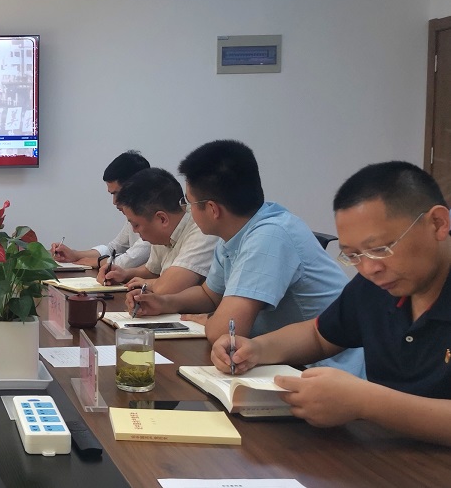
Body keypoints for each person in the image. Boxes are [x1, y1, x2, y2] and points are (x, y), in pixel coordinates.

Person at [212, 161, 451, 445]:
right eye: (353, 255)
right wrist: (257, 349)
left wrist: (365, 402)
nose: (368, 268)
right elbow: (319, 335)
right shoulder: (377, 284)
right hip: (385, 452)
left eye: (380, 249)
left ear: (438, 223)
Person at [129, 140, 363, 375]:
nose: (187, 210)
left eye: (189, 203)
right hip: (275, 360)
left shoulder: (270, 235)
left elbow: (223, 331)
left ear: (212, 209)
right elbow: (209, 295)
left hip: (323, 369)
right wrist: (165, 303)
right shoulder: (233, 234)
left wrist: (211, 319)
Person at [96, 167, 216, 295]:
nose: (134, 231)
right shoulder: (164, 232)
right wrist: (124, 274)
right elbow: (152, 270)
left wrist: (146, 283)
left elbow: (168, 288)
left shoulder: (202, 229)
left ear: (162, 219)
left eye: (136, 225)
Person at [51, 150, 151, 269]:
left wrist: (98, 262)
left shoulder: (154, 216)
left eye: (118, 194)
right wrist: (75, 255)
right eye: (112, 194)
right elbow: (114, 248)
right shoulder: (134, 216)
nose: (114, 202)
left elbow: (130, 260)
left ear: (137, 188)